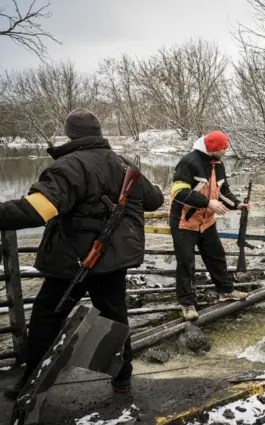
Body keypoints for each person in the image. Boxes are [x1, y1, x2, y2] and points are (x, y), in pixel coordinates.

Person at [0, 109, 164, 400]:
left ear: (70, 135)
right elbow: (154, 199)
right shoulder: (123, 162)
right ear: (99, 133)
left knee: (46, 317)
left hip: (73, 262)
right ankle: (122, 380)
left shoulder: (69, 166)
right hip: (113, 261)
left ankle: (31, 380)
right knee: (115, 317)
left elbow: (38, 209)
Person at [170, 131, 251, 321]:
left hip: (207, 221)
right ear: (214, 148)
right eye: (223, 147)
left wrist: (237, 204)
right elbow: (178, 191)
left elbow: (223, 191)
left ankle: (225, 290)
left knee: (216, 256)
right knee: (186, 263)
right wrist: (207, 202)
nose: (226, 150)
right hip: (185, 222)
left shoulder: (219, 164)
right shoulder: (188, 162)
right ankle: (187, 303)